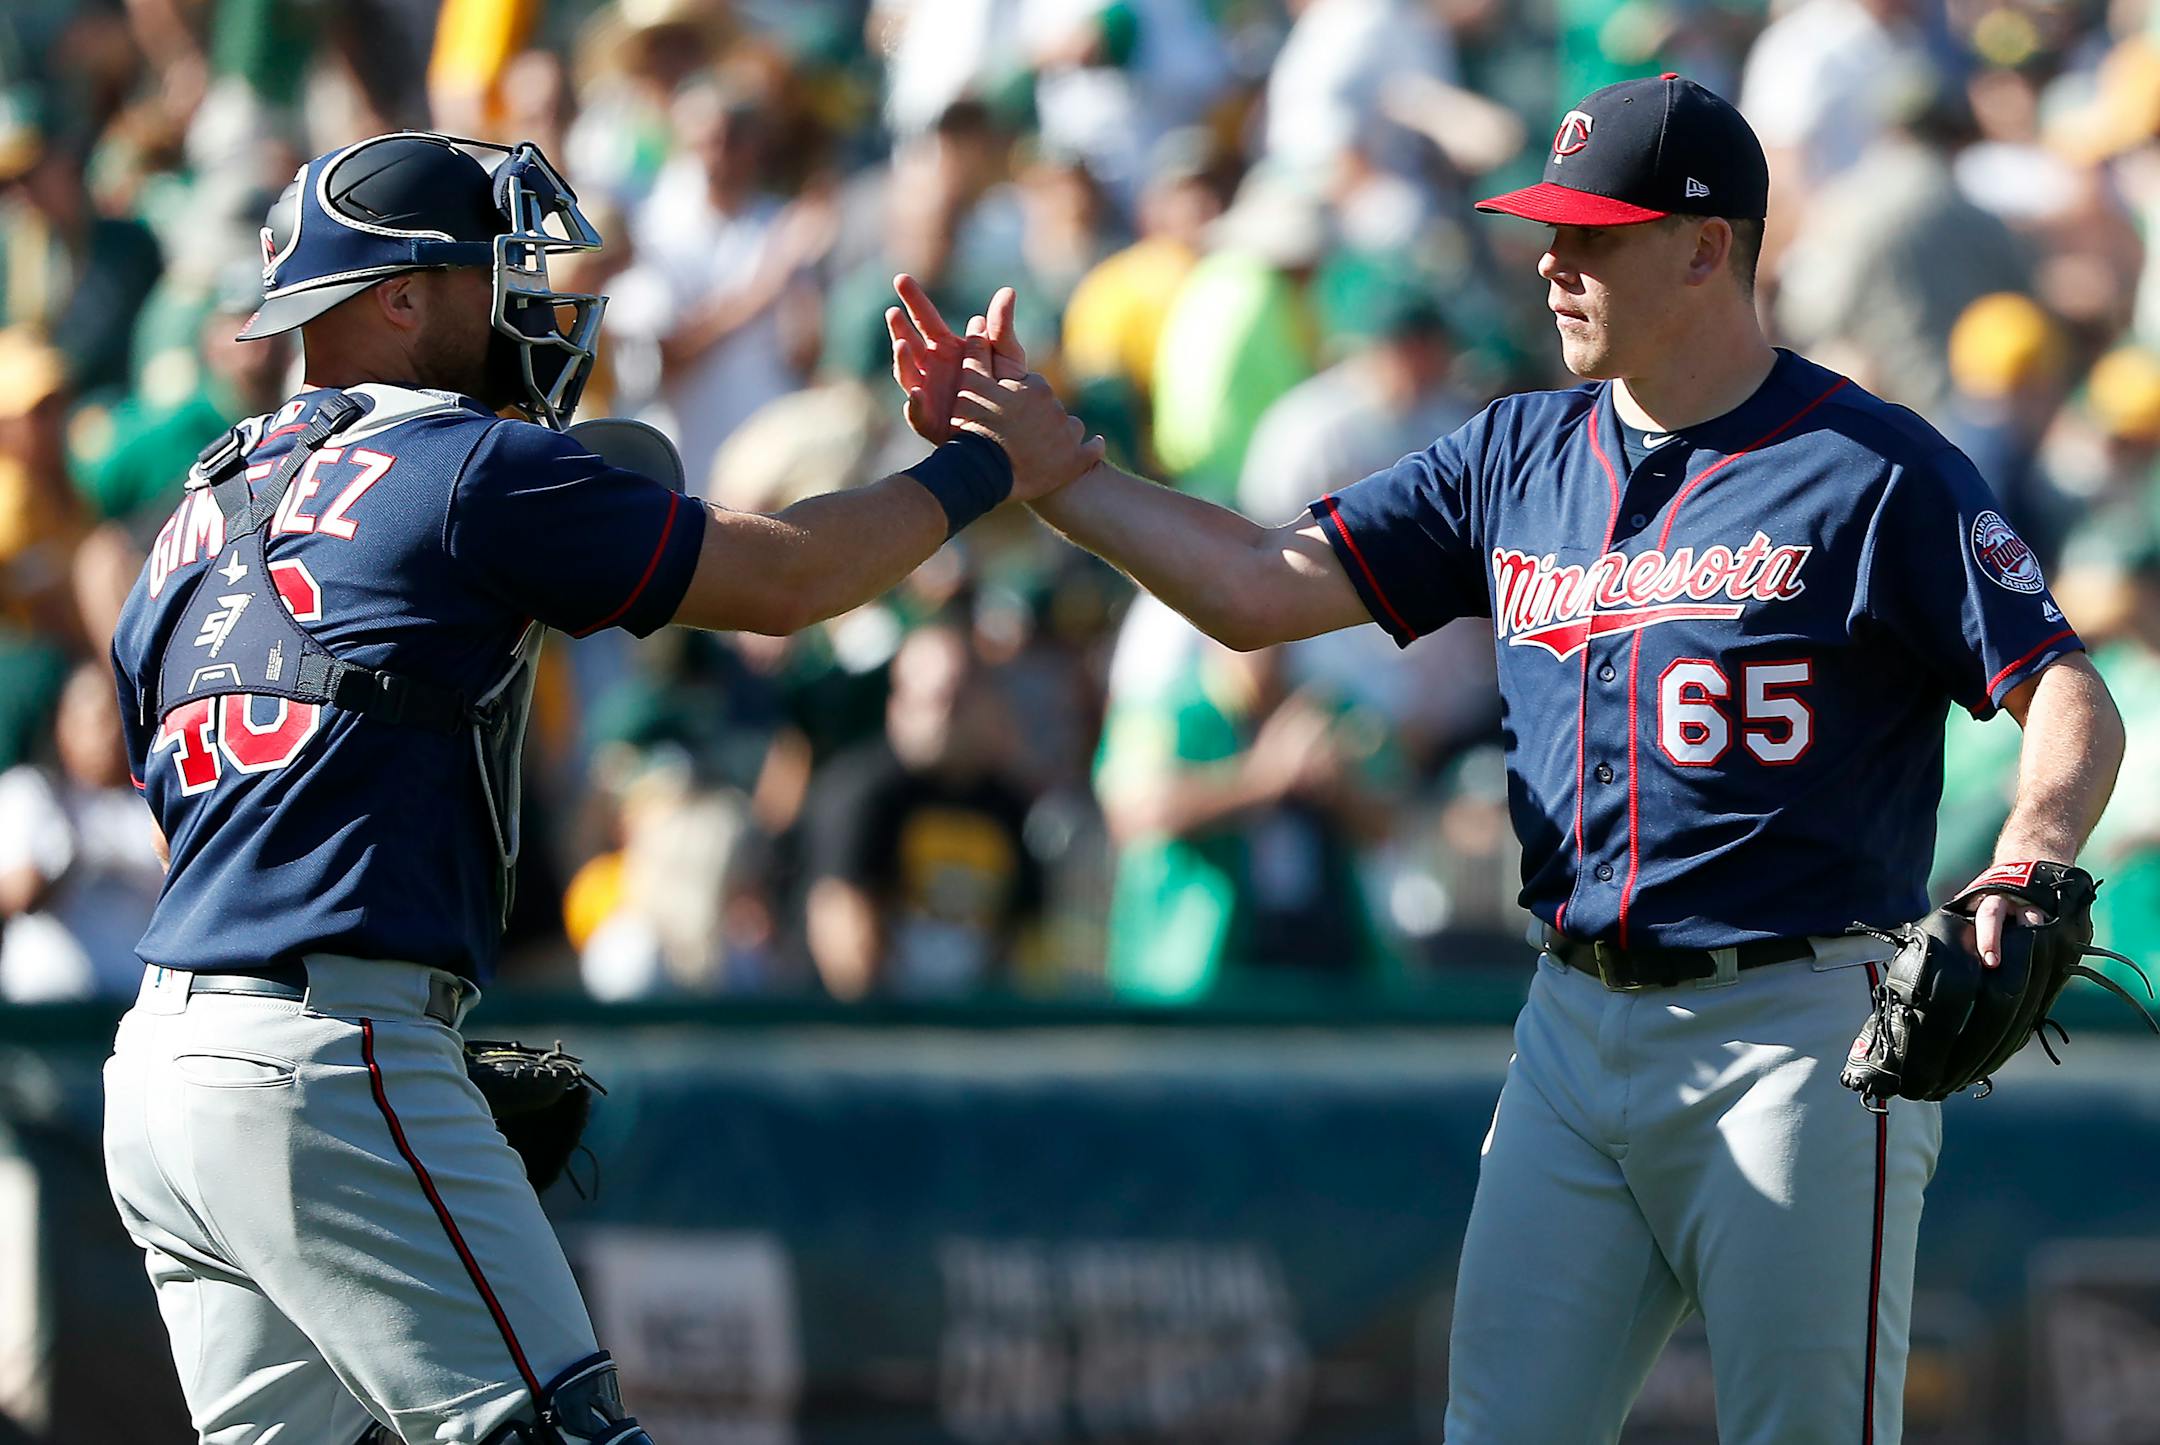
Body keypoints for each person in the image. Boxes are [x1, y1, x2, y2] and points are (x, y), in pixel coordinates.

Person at [890, 75, 2125, 1442]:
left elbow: (2065, 686)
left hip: (1798, 1030)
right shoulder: (1515, 453)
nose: (1552, 261)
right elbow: (1254, 585)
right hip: (1570, 1026)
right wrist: (1056, 472)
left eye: (1594, 234)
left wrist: (2030, 859)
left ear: (1707, 247)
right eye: (1550, 231)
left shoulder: (1867, 468)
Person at [102, 131, 1093, 1445]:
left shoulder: (195, 508)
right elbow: (788, 581)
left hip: (161, 1072)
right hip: (324, 1050)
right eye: (488, 270)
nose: (525, 298)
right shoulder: (462, 466)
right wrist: (977, 463)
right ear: (398, 296)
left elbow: (176, 774)